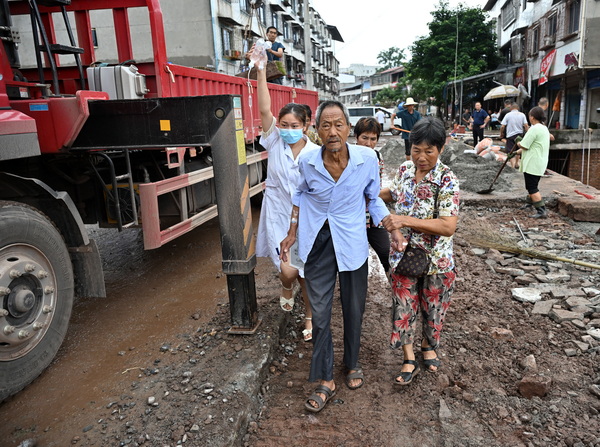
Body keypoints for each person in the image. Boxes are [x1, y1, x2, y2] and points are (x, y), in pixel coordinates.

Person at [280, 100, 401, 413]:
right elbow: (298, 195)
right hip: (318, 239)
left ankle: (352, 362)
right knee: (319, 313)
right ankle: (325, 379)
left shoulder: (367, 159)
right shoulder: (308, 162)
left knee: (353, 307)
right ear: (317, 131)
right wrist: (292, 231)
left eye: (338, 125)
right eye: (325, 126)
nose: (332, 131)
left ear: (349, 128)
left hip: (351, 239)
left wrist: (391, 226)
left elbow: (373, 199)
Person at [379, 116, 460, 386]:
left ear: (441, 149)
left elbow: (448, 226)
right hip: (403, 255)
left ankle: (428, 344)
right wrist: (367, 194)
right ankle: (409, 358)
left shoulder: (447, 179)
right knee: (403, 307)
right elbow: (394, 193)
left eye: (429, 151)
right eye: (416, 150)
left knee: (432, 309)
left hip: (437, 261)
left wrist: (404, 220)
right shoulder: (404, 170)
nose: (421, 157)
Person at [255, 63, 319, 342]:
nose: (289, 130)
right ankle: (285, 287)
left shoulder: (316, 153)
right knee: (288, 270)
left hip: (305, 217)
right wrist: (260, 71)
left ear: (306, 125)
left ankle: (309, 316)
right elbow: (264, 109)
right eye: (284, 125)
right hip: (277, 213)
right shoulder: (274, 142)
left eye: (295, 126)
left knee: (305, 273)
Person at [353, 117, 391, 275]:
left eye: (373, 139)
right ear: (356, 137)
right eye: (364, 138)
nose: (368, 143)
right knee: (355, 260)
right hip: (353, 217)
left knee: (387, 253)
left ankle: (398, 293)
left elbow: (375, 191)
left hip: (373, 216)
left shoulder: (377, 157)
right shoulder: (347, 156)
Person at [514, 106, 551, 219]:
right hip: (540, 161)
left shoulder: (534, 129)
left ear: (532, 117)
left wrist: (518, 142)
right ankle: (530, 204)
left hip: (533, 162)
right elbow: (530, 146)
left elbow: (524, 145)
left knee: (532, 187)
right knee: (532, 185)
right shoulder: (544, 128)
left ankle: (541, 210)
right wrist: (516, 152)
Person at [500, 103, 529, 168]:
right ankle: (516, 163)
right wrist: (528, 133)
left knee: (510, 150)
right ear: (518, 108)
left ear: (511, 108)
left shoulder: (508, 115)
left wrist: (501, 133)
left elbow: (502, 126)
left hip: (510, 135)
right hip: (519, 135)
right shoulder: (522, 115)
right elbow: (526, 125)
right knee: (518, 149)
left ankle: (512, 166)